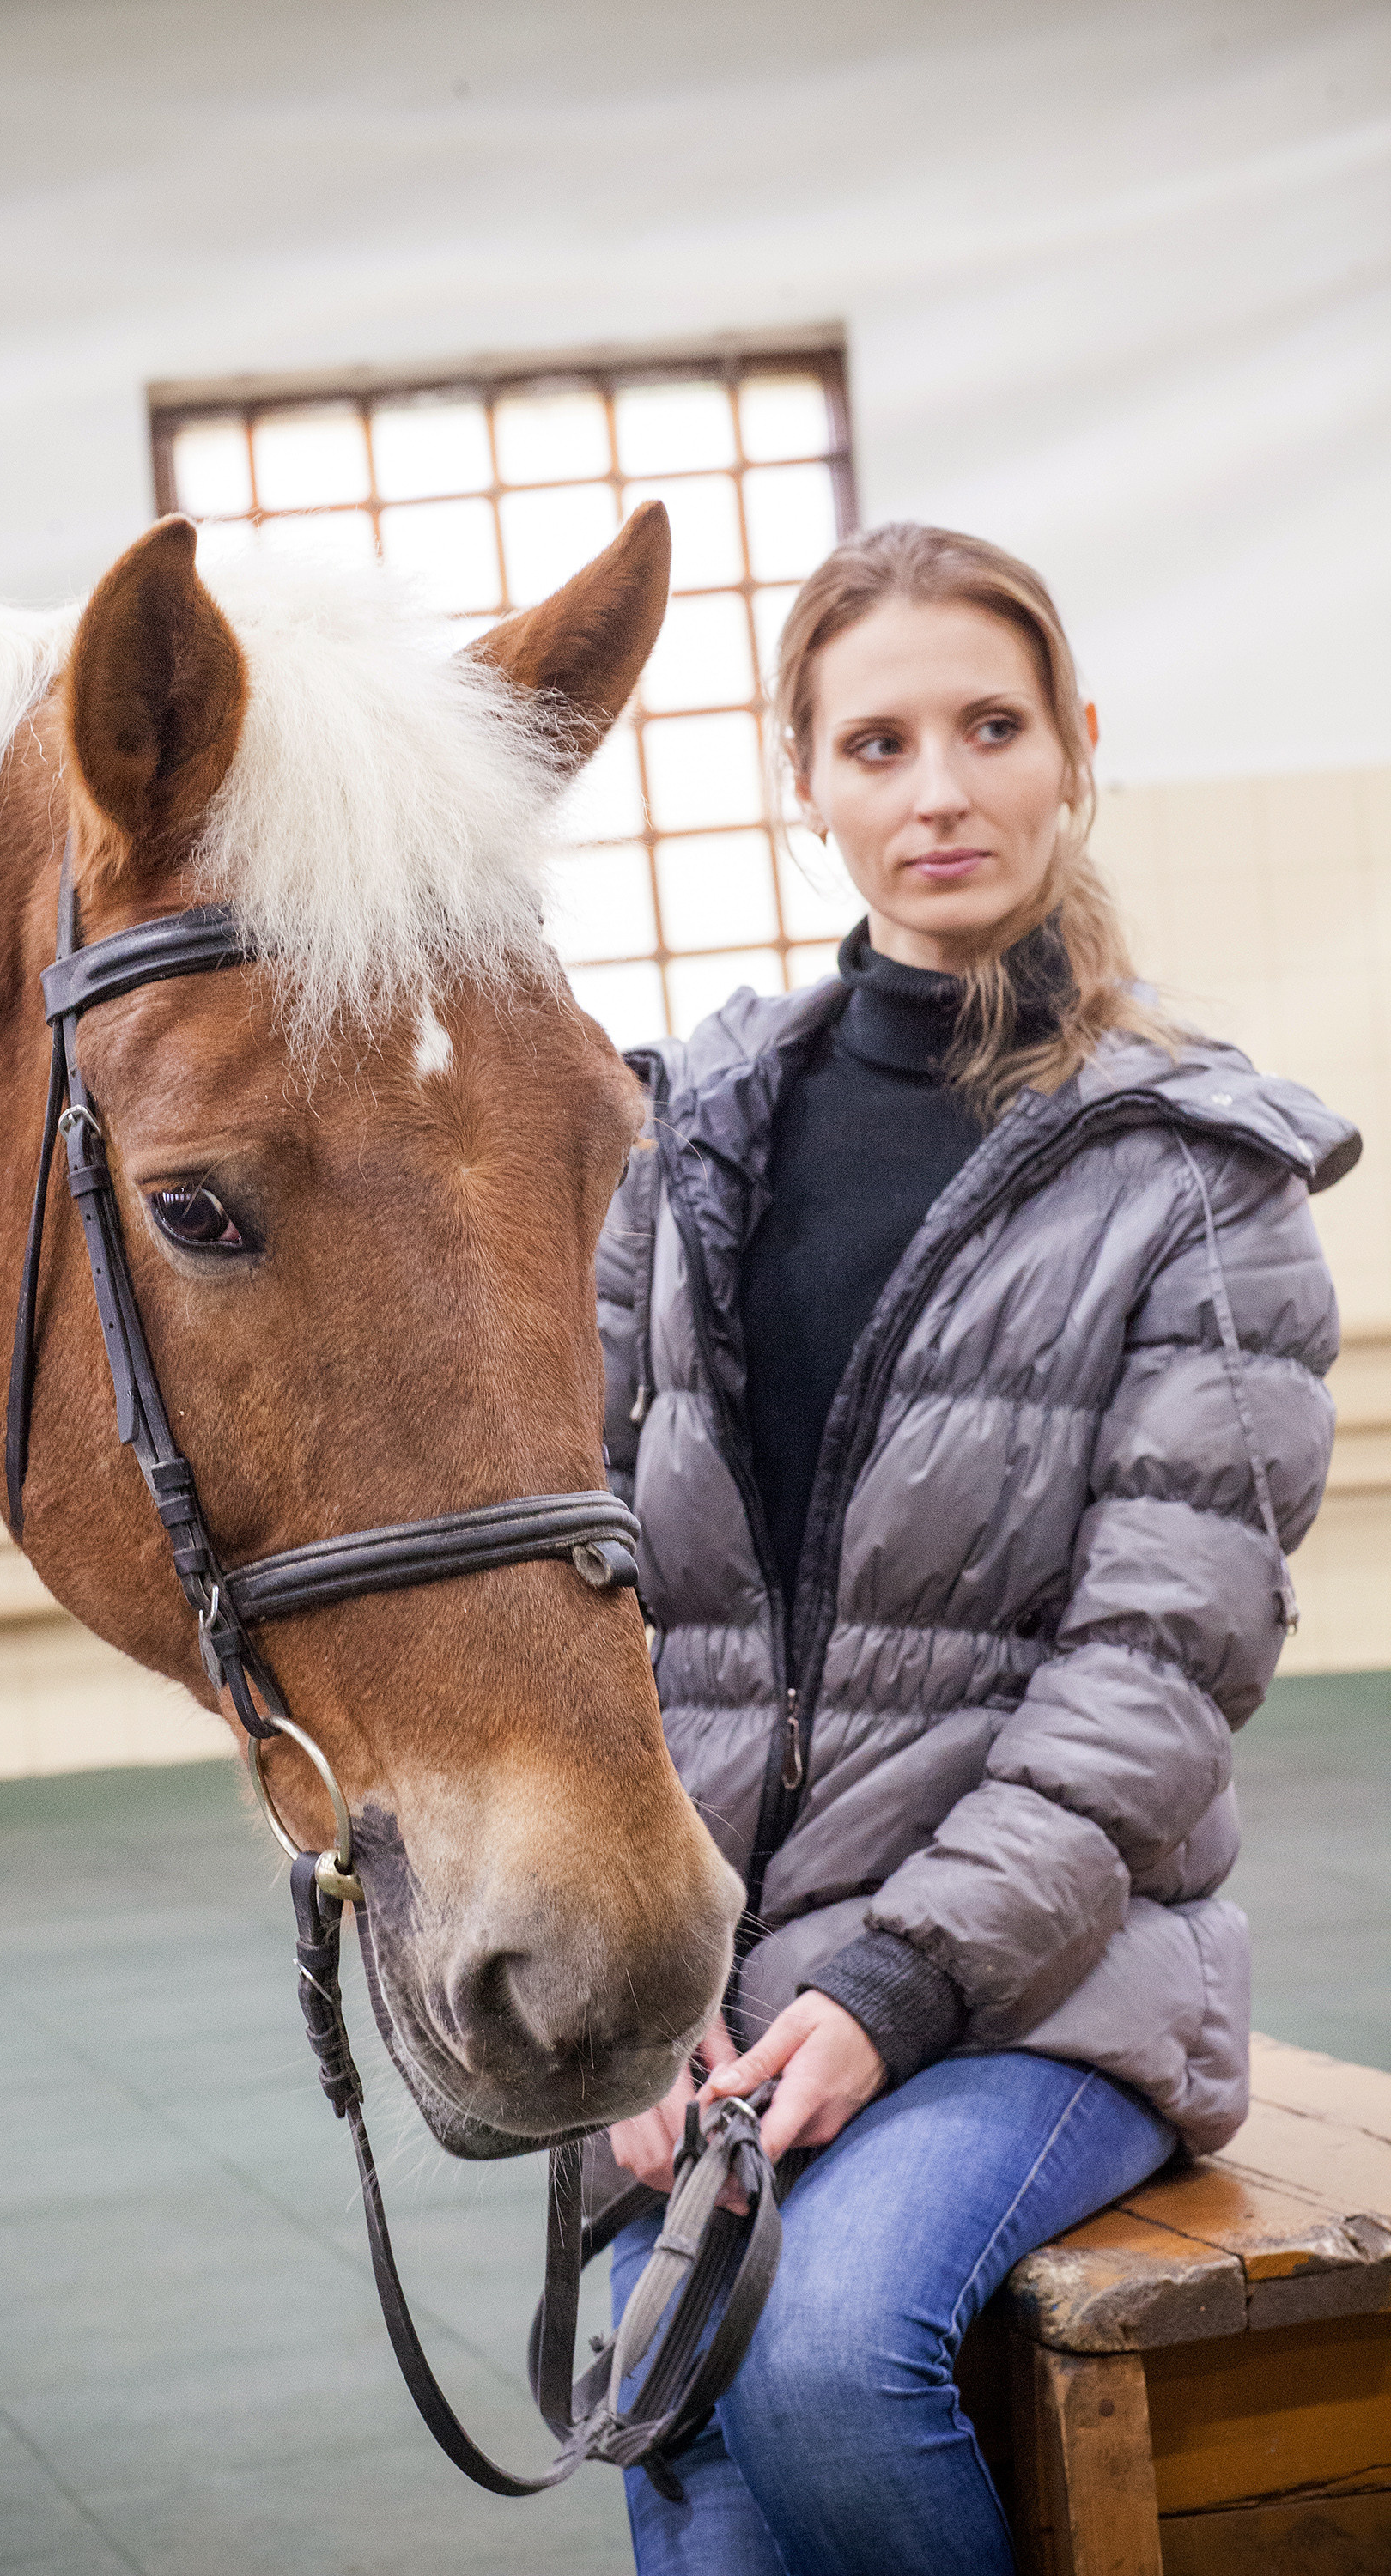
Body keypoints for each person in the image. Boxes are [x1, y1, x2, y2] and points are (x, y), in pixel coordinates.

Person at [594, 522, 1359, 2576]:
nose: (936, 789)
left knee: (828, 2349)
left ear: (1074, 748)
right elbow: (595, 1600)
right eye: (877, 741)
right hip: (716, 2002)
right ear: (808, 780)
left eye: (988, 726)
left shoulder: (1200, 1178)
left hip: (1043, 1986)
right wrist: (649, 1988)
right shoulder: (678, 1145)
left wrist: (892, 1983)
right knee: (665, 2378)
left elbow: (1156, 1681)